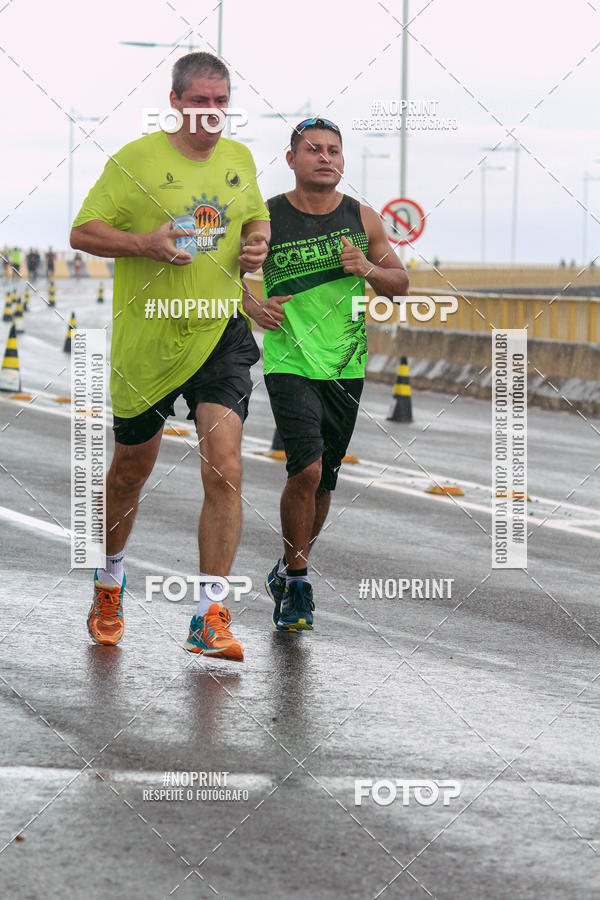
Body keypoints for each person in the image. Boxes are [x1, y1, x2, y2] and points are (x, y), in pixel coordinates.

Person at [70, 52, 270, 660]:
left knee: (226, 466)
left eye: (221, 102)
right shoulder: (135, 161)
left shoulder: (239, 159)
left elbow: (254, 217)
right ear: (177, 101)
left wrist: (258, 242)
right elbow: (83, 232)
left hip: (220, 334)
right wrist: (144, 244)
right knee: (131, 470)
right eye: (201, 101)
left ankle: (210, 615)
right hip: (150, 341)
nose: (211, 113)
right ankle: (110, 584)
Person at [243, 117, 408, 631]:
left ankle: (291, 567)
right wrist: (252, 306)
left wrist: (369, 271)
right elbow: (228, 276)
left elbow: (400, 284)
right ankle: (297, 584)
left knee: (327, 480)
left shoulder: (364, 219)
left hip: (345, 364)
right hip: (289, 361)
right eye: (313, 150)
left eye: (334, 150)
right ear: (291, 159)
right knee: (306, 470)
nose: (325, 158)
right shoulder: (265, 217)